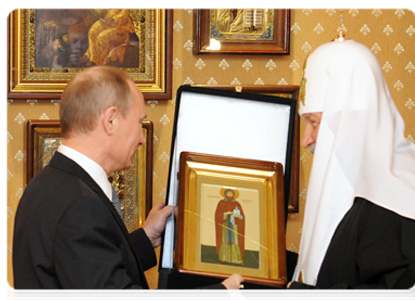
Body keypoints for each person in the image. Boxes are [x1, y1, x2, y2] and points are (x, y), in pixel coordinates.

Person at [13, 66, 246, 300]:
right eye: (139, 122)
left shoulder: (48, 183)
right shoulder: (80, 206)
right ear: (111, 120)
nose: (142, 139)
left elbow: (83, 268)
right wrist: (219, 296)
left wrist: (145, 239)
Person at [283, 40, 415, 299]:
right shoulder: (361, 186)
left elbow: (397, 292)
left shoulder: (402, 199)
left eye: (314, 123)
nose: (306, 140)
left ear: (353, 119)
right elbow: (338, 266)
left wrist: (300, 297)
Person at [215, 188, 245, 265]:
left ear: (233, 195)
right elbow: (217, 215)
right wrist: (226, 214)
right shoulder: (221, 203)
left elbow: (242, 216)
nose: (229, 195)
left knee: (235, 241)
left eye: (231, 194)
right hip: (225, 226)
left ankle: (238, 259)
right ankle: (223, 257)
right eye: (228, 194)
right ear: (225, 194)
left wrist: (237, 216)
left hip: (234, 226)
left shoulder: (237, 204)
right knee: (225, 241)